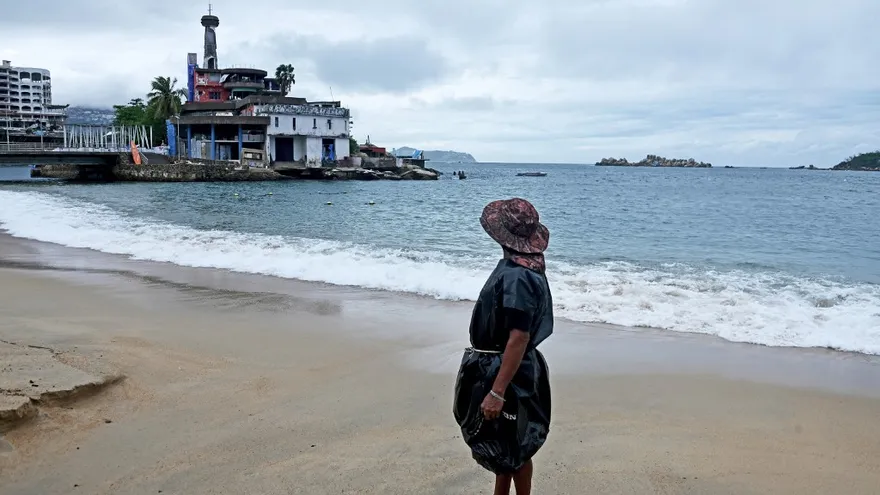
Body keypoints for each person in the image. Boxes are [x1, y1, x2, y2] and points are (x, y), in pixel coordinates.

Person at [454, 198, 553, 495]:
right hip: (512, 365)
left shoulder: (518, 276)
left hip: (509, 369)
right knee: (506, 442)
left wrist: (497, 392)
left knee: (516, 446)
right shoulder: (525, 267)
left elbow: (519, 337)